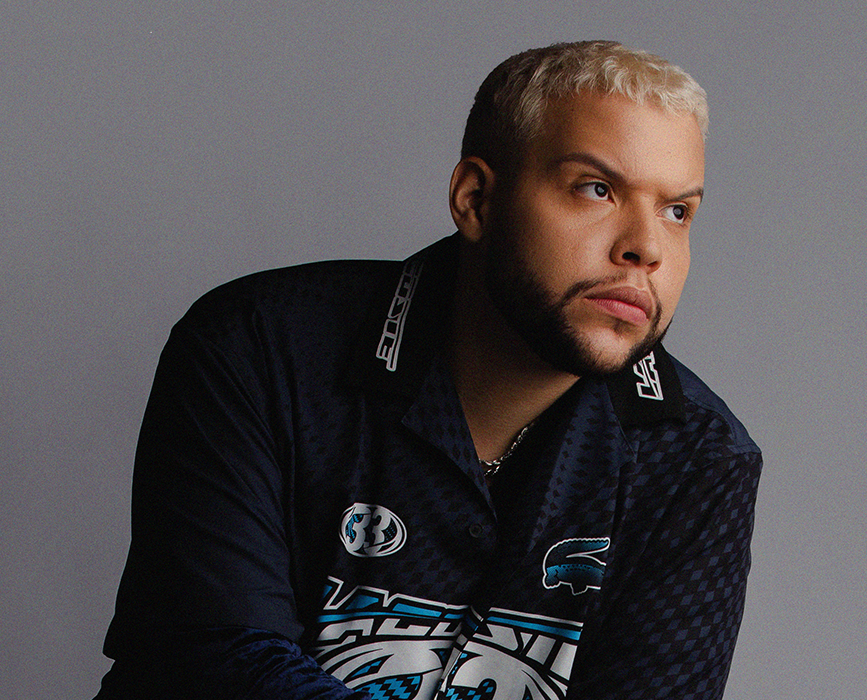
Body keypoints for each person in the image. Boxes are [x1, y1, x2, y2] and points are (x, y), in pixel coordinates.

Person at [96, 40, 761, 700]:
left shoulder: (699, 457)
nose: (646, 247)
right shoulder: (259, 347)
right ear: (476, 200)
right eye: (597, 189)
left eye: (678, 211)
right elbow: (218, 661)